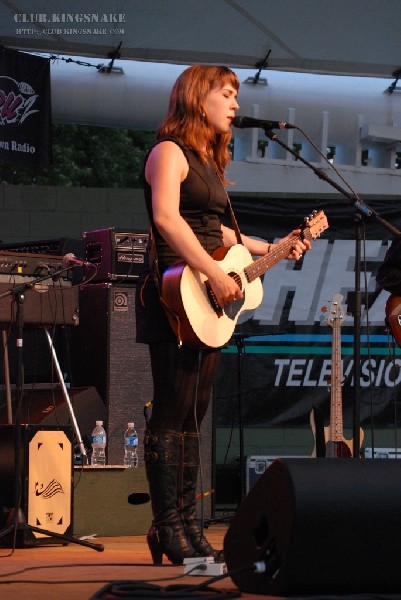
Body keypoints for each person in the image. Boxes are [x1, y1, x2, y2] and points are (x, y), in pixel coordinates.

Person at [135, 64, 311, 566]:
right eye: (228, 94)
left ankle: (187, 521)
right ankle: (168, 524)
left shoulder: (209, 161)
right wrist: (212, 273)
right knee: (171, 411)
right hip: (175, 290)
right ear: (198, 97)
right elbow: (168, 217)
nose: (236, 104)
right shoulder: (168, 153)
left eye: (237, 96)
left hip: (207, 293)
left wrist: (272, 247)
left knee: (196, 413)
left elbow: (221, 233)